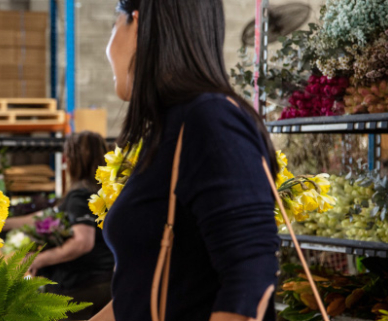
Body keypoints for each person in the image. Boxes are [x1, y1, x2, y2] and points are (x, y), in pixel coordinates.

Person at [90, 0, 280, 320]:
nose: (107, 49)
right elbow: (141, 290)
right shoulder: (170, 129)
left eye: (113, 26)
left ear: (137, 25)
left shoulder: (210, 120)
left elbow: (249, 282)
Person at [3, 131, 115, 320]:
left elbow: (82, 242)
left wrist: (38, 259)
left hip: (82, 286)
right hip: (103, 282)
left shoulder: (80, 196)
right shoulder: (102, 193)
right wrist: (0, 222)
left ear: (73, 160)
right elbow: (47, 216)